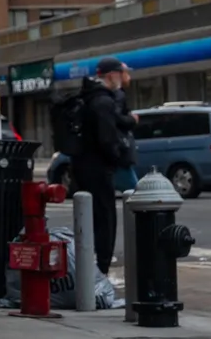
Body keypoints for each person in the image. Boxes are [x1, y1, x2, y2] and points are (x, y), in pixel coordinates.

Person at [76, 56, 135, 276]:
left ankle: (91, 270)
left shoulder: (89, 96)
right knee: (105, 221)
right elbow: (107, 138)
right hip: (99, 168)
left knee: (92, 219)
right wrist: (118, 156)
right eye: (120, 73)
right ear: (111, 76)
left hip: (84, 166)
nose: (122, 78)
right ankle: (101, 270)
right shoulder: (103, 101)